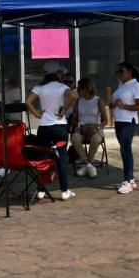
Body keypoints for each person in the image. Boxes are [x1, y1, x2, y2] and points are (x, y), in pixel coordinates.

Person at [25, 60, 76, 201]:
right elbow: (72, 97)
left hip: (45, 127)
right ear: (58, 73)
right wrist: (63, 110)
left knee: (44, 159)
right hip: (59, 126)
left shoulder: (40, 88)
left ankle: (41, 190)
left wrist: (37, 114)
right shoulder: (62, 87)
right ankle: (64, 191)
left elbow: (28, 102)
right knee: (61, 159)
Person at [110, 62, 139, 194]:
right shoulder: (121, 86)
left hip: (128, 122)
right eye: (117, 71)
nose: (119, 74)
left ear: (130, 71)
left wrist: (124, 106)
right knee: (125, 149)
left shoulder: (136, 86)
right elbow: (116, 103)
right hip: (119, 121)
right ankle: (130, 179)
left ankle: (128, 179)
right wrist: (113, 105)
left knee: (125, 149)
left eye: (122, 71)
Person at [70, 78, 108, 178]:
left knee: (95, 139)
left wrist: (97, 127)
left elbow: (105, 120)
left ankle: (87, 165)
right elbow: (73, 120)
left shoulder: (98, 100)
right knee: (75, 138)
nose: (77, 91)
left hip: (95, 128)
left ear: (86, 88)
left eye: (79, 88)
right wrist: (80, 125)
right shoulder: (78, 101)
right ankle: (89, 165)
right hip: (81, 128)